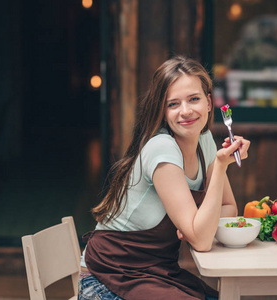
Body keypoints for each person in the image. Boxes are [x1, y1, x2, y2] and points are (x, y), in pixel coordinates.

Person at [79, 56, 250, 300]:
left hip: (157, 273)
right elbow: (201, 242)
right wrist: (221, 167)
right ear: (162, 110)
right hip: (108, 276)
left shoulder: (204, 141)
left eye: (194, 99)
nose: (186, 111)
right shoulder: (162, 148)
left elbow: (228, 208)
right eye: (173, 104)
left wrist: (199, 224)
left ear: (209, 102)